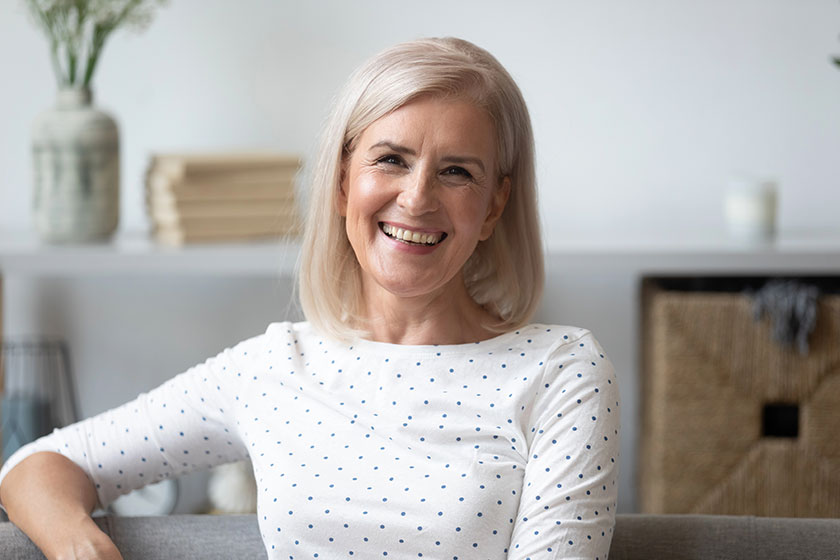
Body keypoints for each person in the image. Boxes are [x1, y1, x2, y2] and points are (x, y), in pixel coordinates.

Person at [0, 37, 619, 559]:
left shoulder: (561, 373)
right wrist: (81, 547)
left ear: (494, 206)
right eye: (391, 160)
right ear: (343, 183)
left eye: (456, 171)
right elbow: (39, 465)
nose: (417, 198)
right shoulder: (272, 368)